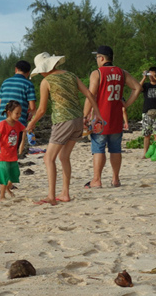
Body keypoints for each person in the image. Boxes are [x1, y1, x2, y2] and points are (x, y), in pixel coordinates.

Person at [26, 52, 104, 206]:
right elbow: (89, 94)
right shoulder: (71, 75)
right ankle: (65, 194)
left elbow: (41, 110)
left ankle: (51, 196)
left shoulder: (46, 81)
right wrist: (98, 115)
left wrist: (31, 123)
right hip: (77, 121)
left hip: (63, 121)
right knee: (64, 157)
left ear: (44, 69)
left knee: (48, 158)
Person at [82, 45, 141, 189]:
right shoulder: (122, 72)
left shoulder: (97, 73)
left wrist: (84, 116)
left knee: (98, 149)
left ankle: (97, 180)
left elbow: (91, 95)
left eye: (97, 57)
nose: (97, 60)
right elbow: (137, 87)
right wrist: (125, 104)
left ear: (101, 58)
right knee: (115, 149)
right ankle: (115, 179)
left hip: (100, 119)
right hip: (116, 118)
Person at [0, 60, 37, 191]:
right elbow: (32, 107)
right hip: (16, 124)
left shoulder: (6, 82)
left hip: (3, 122)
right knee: (11, 153)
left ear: (15, 69)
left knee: (4, 151)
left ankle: (5, 181)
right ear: (28, 72)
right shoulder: (28, 84)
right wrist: (31, 117)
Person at [0, 101, 26, 202]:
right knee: (4, 175)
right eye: (17, 113)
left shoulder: (17, 124)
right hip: (2, 154)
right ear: (9, 112)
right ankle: (1, 196)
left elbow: (24, 130)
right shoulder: (3, 123)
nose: (19, 115)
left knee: (15, 174)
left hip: (12, 154)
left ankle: (8, 188)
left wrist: (22, 144)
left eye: (20, 113)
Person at [139, 66, 156, 155]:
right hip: (147, 111)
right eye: (150, 73)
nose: (151, 76)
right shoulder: (146, 85)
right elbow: (138, 88)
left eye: (152, 73)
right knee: (146, 134)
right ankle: (145, 152)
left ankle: (155, 152)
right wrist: (144, 77)